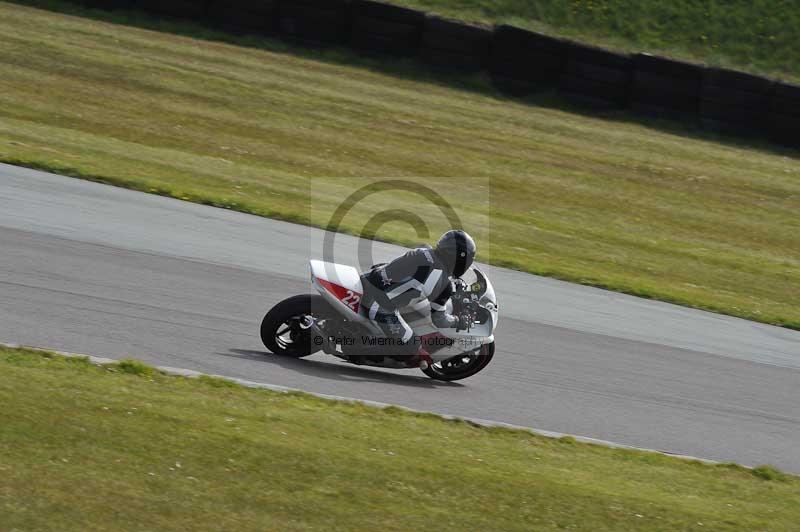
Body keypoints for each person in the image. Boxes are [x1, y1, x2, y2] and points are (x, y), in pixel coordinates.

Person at [360, 230, 476, 364]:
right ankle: (361, 352)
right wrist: (458, 320)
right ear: (460, 259)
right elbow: (440, 320)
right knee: (412, 348)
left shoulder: (424, 250)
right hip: (380, 305)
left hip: (368, 279)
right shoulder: (444, 285)